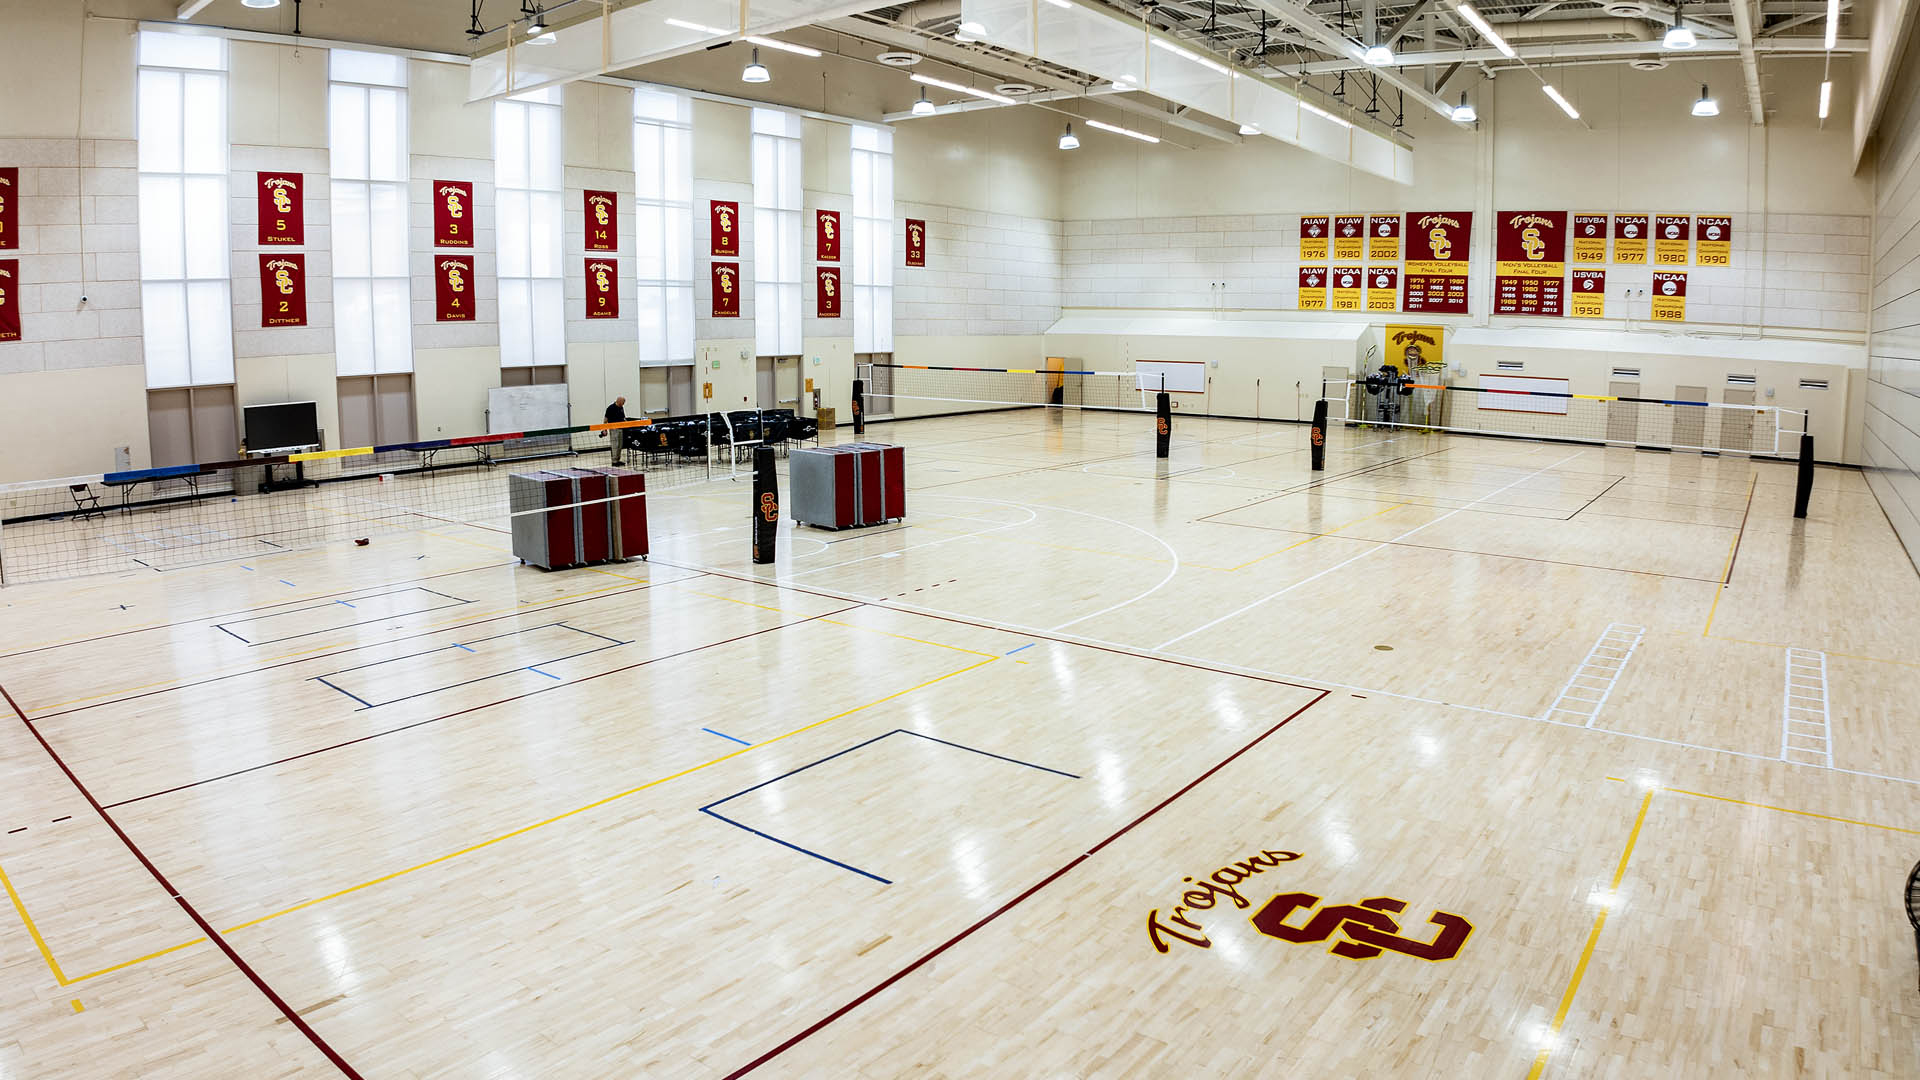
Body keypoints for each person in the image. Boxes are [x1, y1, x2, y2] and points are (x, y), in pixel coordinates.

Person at [605, 396, 627, 465]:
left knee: (620, 445)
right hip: (614, 429)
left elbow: (623, 417)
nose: (623, 404)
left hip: (621, 428)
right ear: (619, 401)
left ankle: (618, 459)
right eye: (623, 402)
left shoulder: (621, 408)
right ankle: (614, 461)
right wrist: (604, 429)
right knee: (615, 445)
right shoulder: (610, 408)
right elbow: (606, 419)